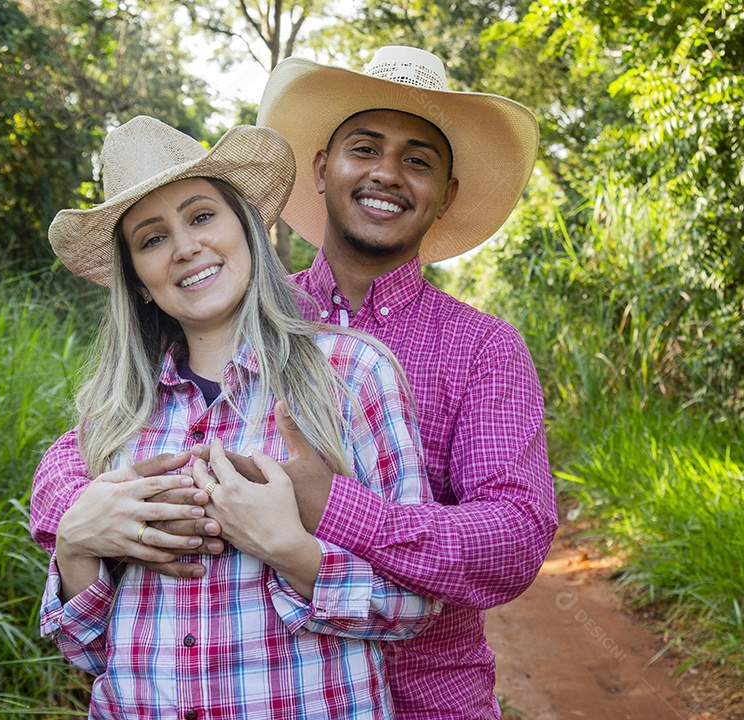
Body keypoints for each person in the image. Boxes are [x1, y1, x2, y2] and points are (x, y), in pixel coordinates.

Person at [30, 115, 441, 719]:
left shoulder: (352, 375)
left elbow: (414, 606)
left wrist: (289, 549)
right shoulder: (113, 419)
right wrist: (75, 544)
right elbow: (87, 652)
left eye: (201, 216)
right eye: (151, 239)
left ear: (247, 228)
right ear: (139, 283)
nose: (185, 246)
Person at [244, 46, 560, 719]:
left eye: (417, 160)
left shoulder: (484, 348)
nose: (388, 173)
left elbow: (515, 534)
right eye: (366, 148)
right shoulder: (247, 318)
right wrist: (71, 514)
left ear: (444, 196)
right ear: (325, 169)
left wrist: (337, 507)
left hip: (426, 700)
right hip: (262, 691)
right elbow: (99, 432)